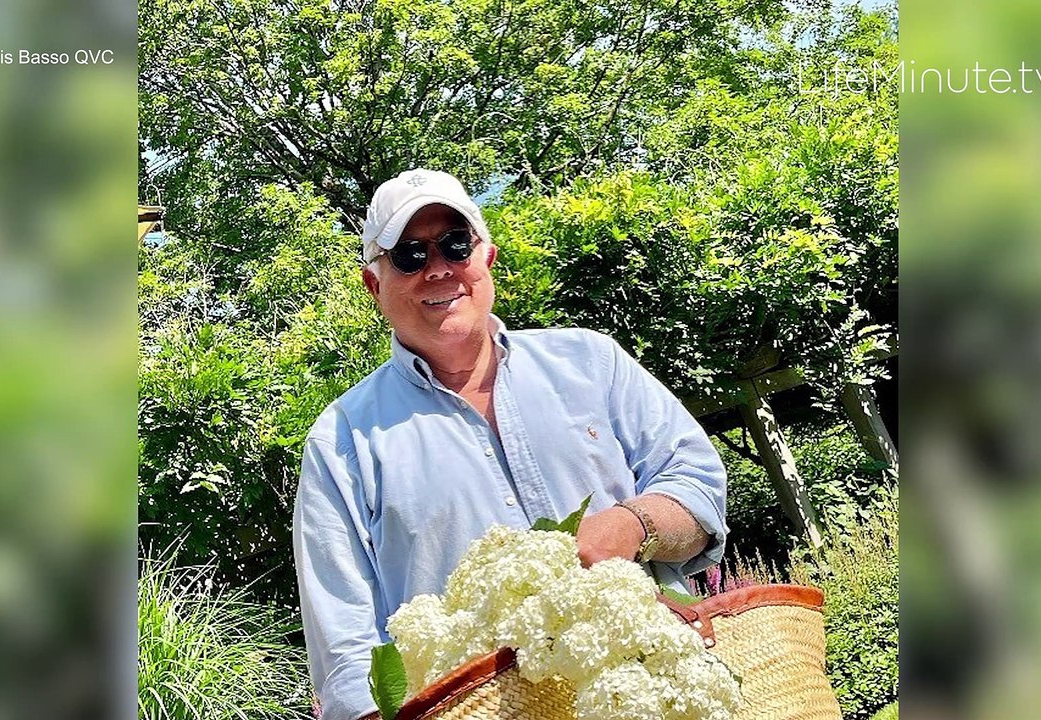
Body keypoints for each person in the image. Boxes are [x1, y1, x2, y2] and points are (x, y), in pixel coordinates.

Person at [293, 169, 729, 720]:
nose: (438, 268)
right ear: (374, 286)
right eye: (408, 255)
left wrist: (632, 525)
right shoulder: (341, 443)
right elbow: (347, 654)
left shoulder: (592, 362)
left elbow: (699, 485)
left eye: (455, 244)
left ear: (487, 258)